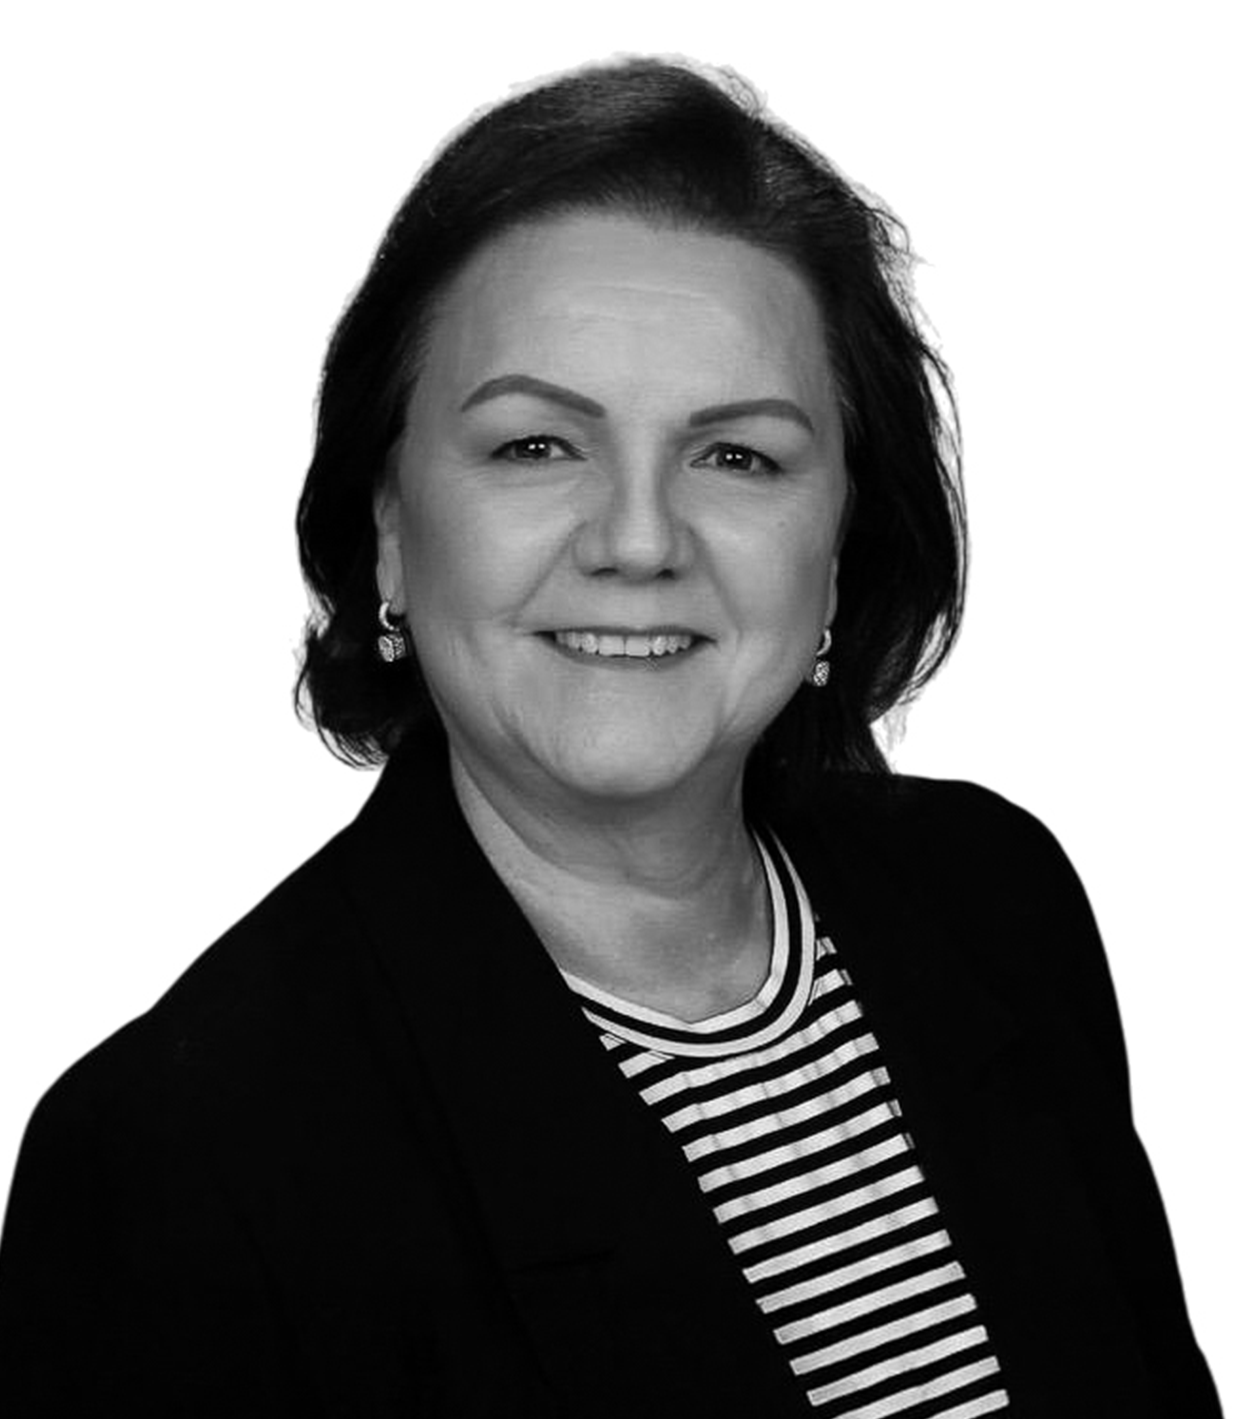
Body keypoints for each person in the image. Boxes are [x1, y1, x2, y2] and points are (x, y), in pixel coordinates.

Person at [0, 57, 1221, 1419]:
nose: (638, 541)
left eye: (737, 455)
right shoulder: (181, 1156)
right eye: (534, 446)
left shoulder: (995, 898)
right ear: (391, 531)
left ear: (837, 547)